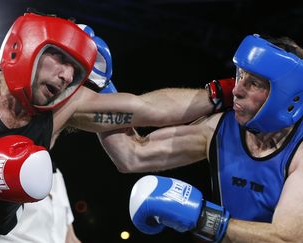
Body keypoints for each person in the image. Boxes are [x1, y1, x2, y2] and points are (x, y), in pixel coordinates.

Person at [0, 10, 222, 242]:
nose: (68, 75)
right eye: (61, 59)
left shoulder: (62, 111)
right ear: (29, 48)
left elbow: (145, 108)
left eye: (76, 70)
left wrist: (220, 94)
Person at [99, 34, 303, 242]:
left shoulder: (300, 151)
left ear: (285, 95)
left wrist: (204, 219)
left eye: (254, 84)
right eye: (240, 75)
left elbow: (288, 238)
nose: (236, 89)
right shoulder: (221, 129)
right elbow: (132, 155)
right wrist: (100, 85)